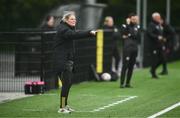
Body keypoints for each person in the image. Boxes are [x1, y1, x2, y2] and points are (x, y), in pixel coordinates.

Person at [53, 12, 96, 113]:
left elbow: (76, 33)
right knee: (66, 84)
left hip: (67, 60)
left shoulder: (67, 28)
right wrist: (89, 32)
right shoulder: (63, 29)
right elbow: (75, 34)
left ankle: (65, 105)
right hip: (62, 62)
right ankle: (62, 107)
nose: (74, 21)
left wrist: (90, 34)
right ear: (66, 20)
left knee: (67, 84)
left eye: (75, 19)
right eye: (72, 19)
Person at [120, 13, 140, 88]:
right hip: (127, 49)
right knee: (125, 65)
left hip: (135, 49)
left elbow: (136, 36)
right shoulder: (124, 25)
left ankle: (128, 83)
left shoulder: (137, 26)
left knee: (131, 66)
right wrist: (128, 26)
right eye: (133, 19)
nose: (135, 21)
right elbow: (122, 34)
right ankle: (122, 83)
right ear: (129, 19)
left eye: (136, 19)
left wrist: (128, 35)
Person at [147, 12, 166, 78]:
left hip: (160, 45)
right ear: (154, 18)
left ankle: (152, 70)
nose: (159, 18)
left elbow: (161, 33)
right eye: (158, 17)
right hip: (153, 46)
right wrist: (157, 37)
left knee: (162, 59)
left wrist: (162, 39)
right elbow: (149, 33)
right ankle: (153, 74)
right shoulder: (151, 24)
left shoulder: (159, 25)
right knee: (154, 60)